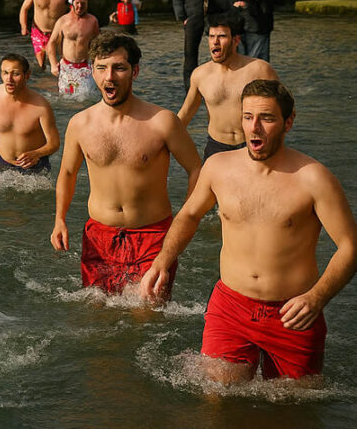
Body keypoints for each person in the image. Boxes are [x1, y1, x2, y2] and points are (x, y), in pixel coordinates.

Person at [141, 80, 357, 382]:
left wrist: (317, 298)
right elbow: (189, 214)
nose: (254, 128)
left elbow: (349, 246)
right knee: (217, 402)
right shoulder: (218, 167)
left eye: (267, 118)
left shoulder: (314, 179)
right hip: (230, 306)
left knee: (293, 412)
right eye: (247, 117)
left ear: (288, 122)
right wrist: (162, 260)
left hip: (293, 313)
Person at [51, 33, 202, 295]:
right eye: (101, 68)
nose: (109, 76)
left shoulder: (162, 122)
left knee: (147, 317)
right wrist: (60, 219)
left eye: (119, 67)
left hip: (153, 236)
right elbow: (66, 172)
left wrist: (184, 220)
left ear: (135, 71)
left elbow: (197, 170)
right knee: (99, 317)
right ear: (92, 71)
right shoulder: (80, 124)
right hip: (98, 236)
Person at [177, 12, 279, 161]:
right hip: (216, 147)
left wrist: (276, 144)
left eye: (222, 36)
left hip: (252, 144)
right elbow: (185, 115)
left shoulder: (260, 70)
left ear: (236, 40)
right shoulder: (200, 75)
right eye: (211, 37)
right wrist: (159, 142)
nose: (215, 42)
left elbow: (283, 110)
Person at [0, 53, 60, 175]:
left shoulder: (41, 107)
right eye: (5, 73)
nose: (9, 79)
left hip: (34, 167)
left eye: (16, 74)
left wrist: (37, 153)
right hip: (3, 163)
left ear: (27, 75)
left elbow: (54, 143)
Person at [47, 0, 101, 96]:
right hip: (67, 67)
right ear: (72, 3)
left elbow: (97, 44)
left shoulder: (92, 21)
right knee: (66, 98)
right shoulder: (63, 21)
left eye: (83, 3)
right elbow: (51, 43)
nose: (80, 6)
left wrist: (99, 64)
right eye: (77, 3)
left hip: (85, 67)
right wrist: (53, 64)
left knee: (86, 97)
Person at [18, 0, 70, 69]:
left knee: (62, 59)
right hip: (38, 31)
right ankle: (42, 78)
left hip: (57, 32)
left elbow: (77, 5)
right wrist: (23, 27)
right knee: (41, 62)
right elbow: (24, 9)